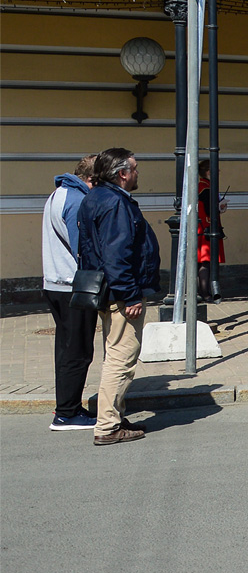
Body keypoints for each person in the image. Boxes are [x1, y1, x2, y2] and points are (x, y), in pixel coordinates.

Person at [77, 148, 160, 446]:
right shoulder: (114, 203)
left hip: (107, 290)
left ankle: (114, 416)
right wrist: (130, 295)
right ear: (122, 173)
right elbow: (116, 254)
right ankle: (108, 426)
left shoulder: (97, 197)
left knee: (114, 353)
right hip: (120, 294)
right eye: (135, 168)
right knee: (121, 358)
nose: (138, 173)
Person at [40, 155, 97, 431]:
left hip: (54, 284)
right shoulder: (77, 201)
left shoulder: (58, 193)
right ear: (91, 180)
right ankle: (67, 412)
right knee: (78, 351)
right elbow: (82, 248)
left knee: (65, 351)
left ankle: (67, 405)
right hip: (71, 285)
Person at [196, 160, 227, 303]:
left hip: (202, 227)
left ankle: (202, 291)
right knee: (205, 262)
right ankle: (205, 293)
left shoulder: (201, 186)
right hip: (207, 228)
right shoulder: (206, 188)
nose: (219, 173)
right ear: (209, 172)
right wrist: (219, 206)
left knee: (202, 262)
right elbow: (210, 209)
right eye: (216, 170)